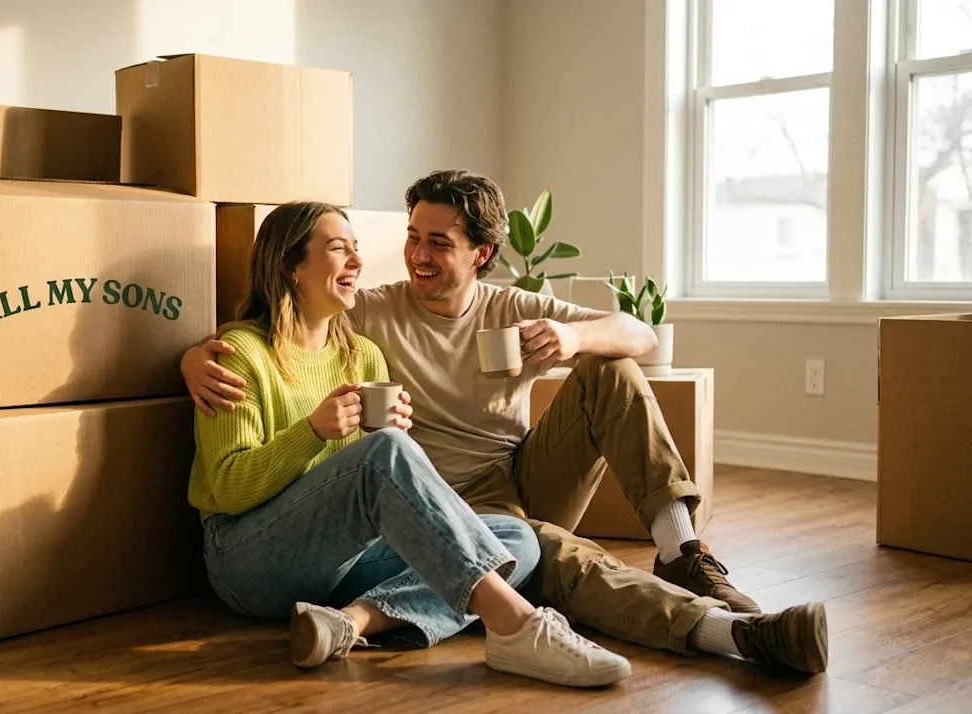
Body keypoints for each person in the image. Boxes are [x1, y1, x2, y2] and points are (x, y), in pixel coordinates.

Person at [183, 171, 829, 676]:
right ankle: (703, 634)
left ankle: (682, 550)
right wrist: (194, 360)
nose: (415, 255)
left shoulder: (425, 330)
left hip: (494, 490)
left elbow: (640, 334)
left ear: (482, 252)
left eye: (438, 242)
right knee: (526, 549)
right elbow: (262, 428)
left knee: (598, 394)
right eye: (411, 237)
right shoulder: (348, 321)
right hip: (372, 514)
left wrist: (573, 340)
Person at [188, 200, 633, 688]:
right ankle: (517, 627)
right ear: (288, 266)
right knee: (390, 460)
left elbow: (368, 482)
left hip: (337, 568)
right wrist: (313, 432)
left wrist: (389, 435)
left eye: (357, 250)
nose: (357, 263)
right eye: (339, 250)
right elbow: (228, 490)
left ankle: (352, 621)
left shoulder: (362, 355)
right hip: (246, 561)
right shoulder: (237, 358)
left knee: (512, 539)